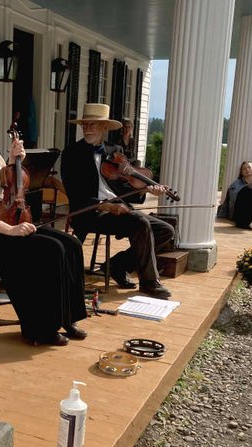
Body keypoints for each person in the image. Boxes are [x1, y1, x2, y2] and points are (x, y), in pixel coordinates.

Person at [60, 103, 174, 300]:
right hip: (90, 212)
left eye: (93, 124)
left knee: (166, 231)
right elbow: (75, 194)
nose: (87, 128)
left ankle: (117, 265)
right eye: (85, 124)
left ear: (104, 127)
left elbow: (125, 187)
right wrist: (105, 205)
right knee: (141, 222)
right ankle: (149, 282)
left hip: (120, 209)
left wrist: (145, 188)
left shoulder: (115, 150)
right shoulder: (71, 154)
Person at [0, 127, 87, 347]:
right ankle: (40, 329)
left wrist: (12, 158)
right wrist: (9, 230)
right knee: (51, 250)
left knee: (71, 243)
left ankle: (68, 317)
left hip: (10, 217)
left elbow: (4, 181)